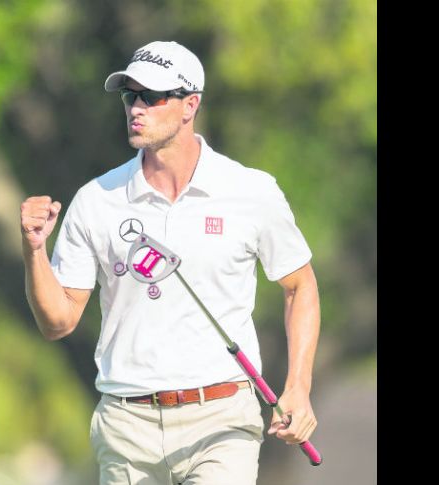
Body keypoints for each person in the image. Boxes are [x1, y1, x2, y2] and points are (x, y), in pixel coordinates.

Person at [19, 40, 320, 485]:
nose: (136, 108)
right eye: (129, 96)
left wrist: (298, 385)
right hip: (126, 425)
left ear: (189, 105)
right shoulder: (96, 199)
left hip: (221, 419)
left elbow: (300, 286)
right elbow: (57, 322)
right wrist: (34, 250)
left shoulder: (250, 191)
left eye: (152, 96)